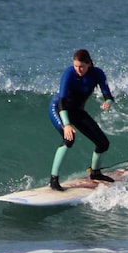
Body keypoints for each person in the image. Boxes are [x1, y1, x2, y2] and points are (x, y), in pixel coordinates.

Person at [48, 49, 114, 191]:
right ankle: (53, 180)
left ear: (89, 63)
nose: (78, 69)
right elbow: (62, 102)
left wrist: (108, 102)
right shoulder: (69, 73)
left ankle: (95, 173)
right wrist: (66, 125)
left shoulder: (97, 74)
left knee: (103, 143)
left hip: (77, 111)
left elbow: (108, 96)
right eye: (76, 66)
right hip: (59, 108)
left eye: (81, 66)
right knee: (69, 139)